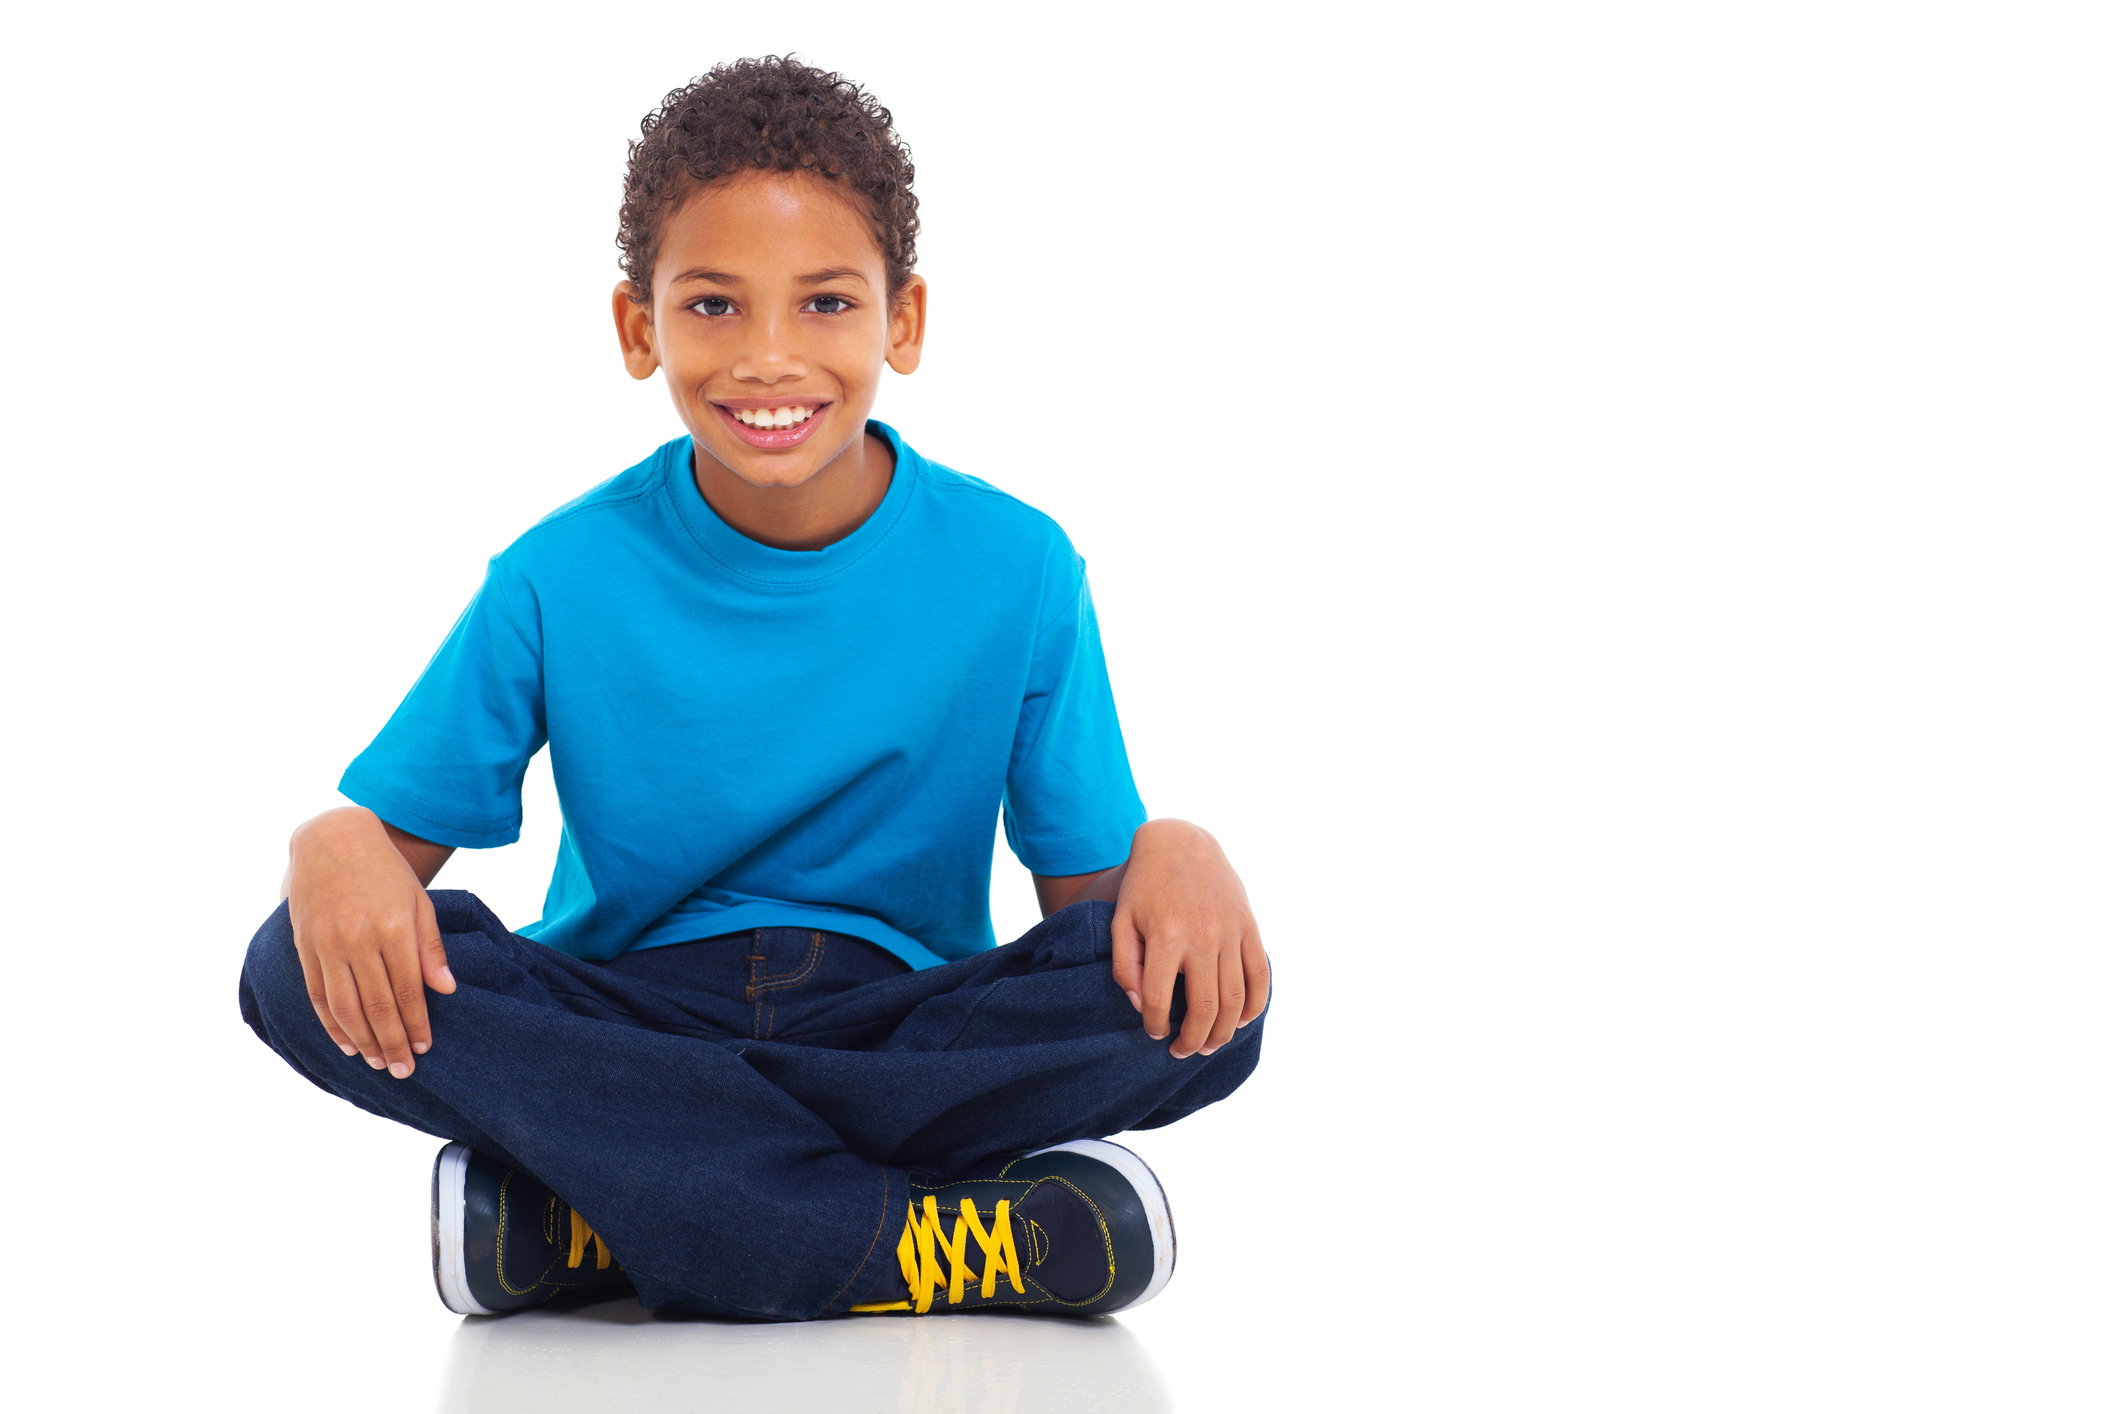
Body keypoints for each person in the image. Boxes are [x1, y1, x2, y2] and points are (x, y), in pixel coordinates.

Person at [238, 55, 1269, 1322]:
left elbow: (1093, 921)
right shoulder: (559, 574)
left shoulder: (1021, 567)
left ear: (904, 319)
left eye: (826, 302)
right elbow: (381, 864)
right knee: (289, 964)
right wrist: (332, 838)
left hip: (894, 1028)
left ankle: (617, 1211)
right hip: (633, 1018)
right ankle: (904, 1236)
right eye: (714, 307)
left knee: (1203, 1006)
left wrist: (1183, 852)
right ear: (639, 327)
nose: (770, 357)